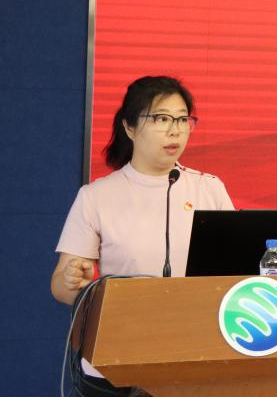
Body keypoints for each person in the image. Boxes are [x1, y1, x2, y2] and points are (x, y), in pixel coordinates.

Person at [51, 76, 233, 396]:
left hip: (195, 356)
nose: (175, 130)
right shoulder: (96, 196)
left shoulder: (210, 189)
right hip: (116, 364)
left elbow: (236, 271)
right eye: (161, 119)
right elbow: (62, 288)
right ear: (130, 127)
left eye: (183, 119)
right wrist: (72, 280)